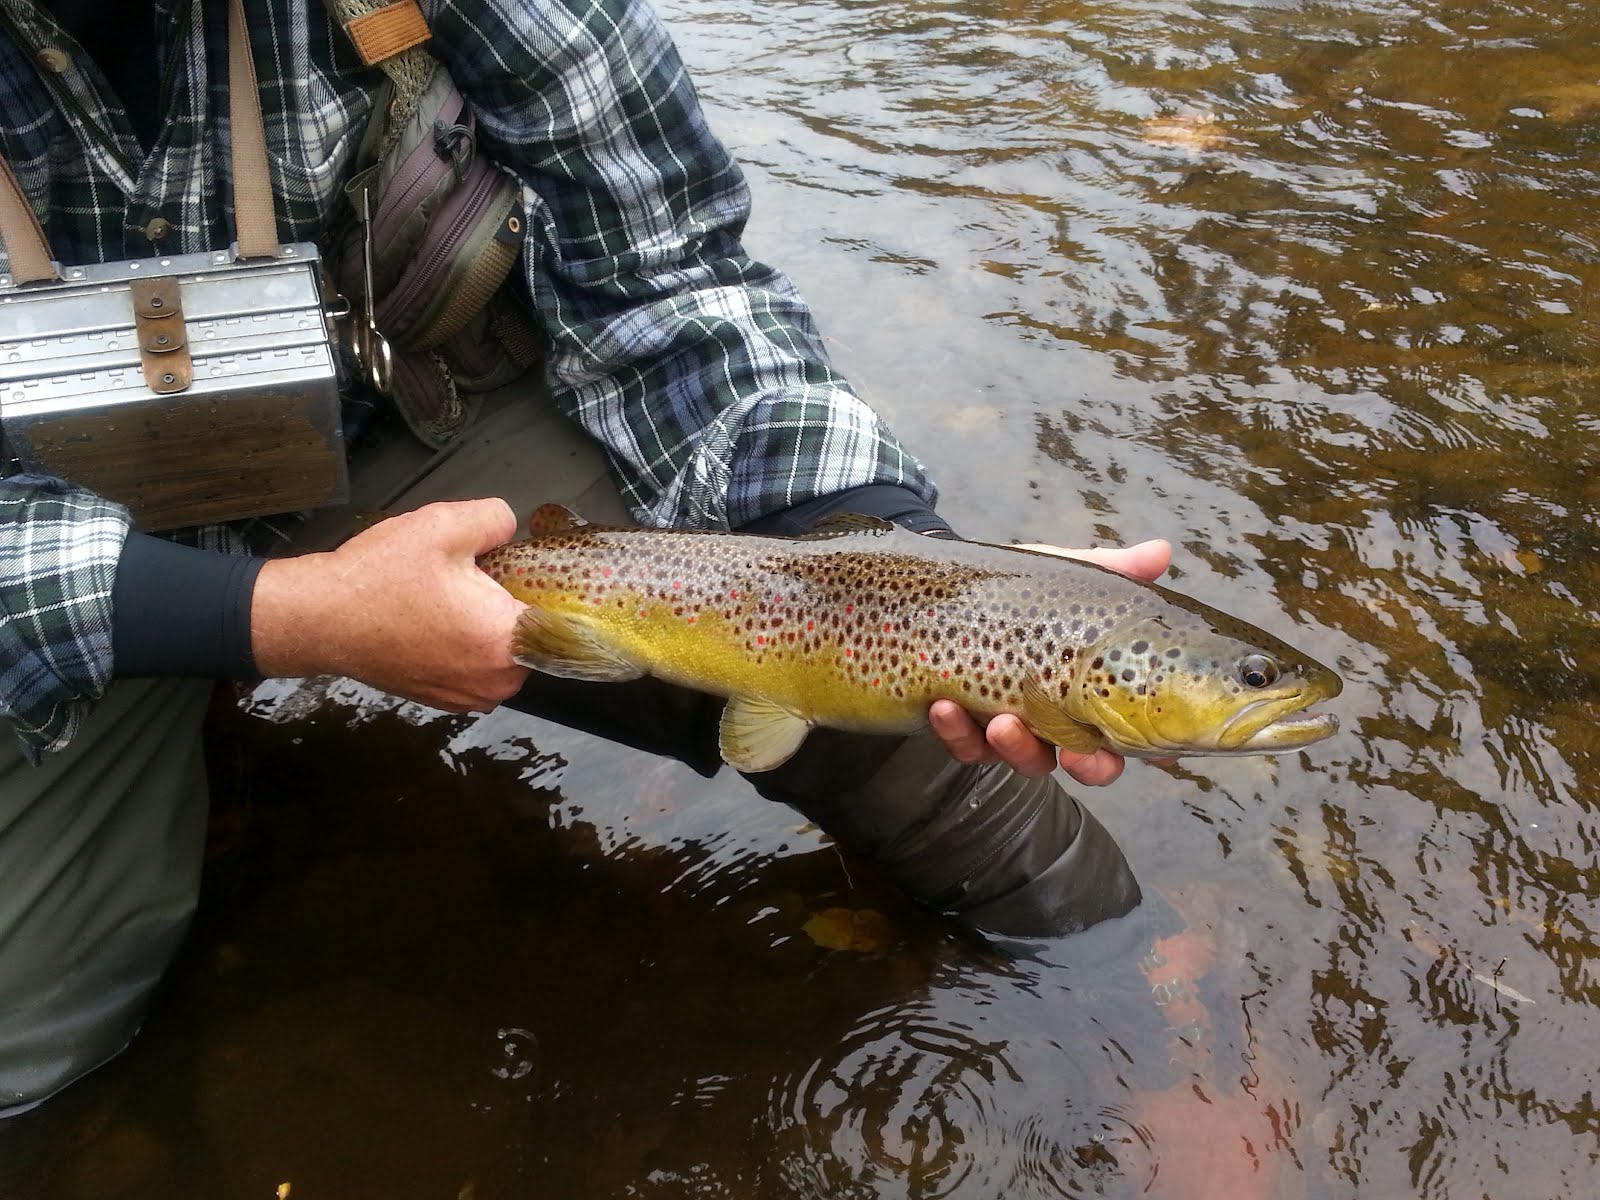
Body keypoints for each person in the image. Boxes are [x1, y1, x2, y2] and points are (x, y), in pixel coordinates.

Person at [0, 0, 1166, 1117]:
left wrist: (880, 545)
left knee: (889, 709)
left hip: (396, 406)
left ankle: (1139, 1011)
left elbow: (665, 268)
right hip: (33, 533)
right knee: (23, 1046)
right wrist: (267, 618)